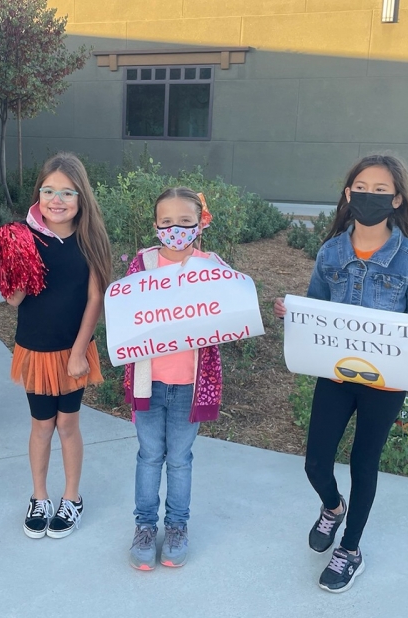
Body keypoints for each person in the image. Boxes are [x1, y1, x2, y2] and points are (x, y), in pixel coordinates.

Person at [274, 154, 408, 593]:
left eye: (381, 190)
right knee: (315, 464)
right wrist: (291, 313)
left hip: (384, 384)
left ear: (397, 199)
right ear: (348, 195)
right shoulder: (331, 250)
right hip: (335, 376)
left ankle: (350, 549)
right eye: (361, 188)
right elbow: (315, 307)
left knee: (364, 463)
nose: (370, 196)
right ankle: (333, 507)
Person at [0, 152, 112, 540]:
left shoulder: (90, 240)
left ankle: (71, 497)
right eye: (48, 190)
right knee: (40, 425)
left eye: (67, 192)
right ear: (38, 195)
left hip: (73, 350)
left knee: (68, 424)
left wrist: (80, 351)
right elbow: (14, 300)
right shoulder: (24, 237)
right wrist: (13, 270)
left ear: (81, 198)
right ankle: (40, 497)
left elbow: (95, 299)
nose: (56, 199)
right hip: (34, 349)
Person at [123, 186, 224, 570]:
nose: (176, 229)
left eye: (185, 221)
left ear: (200, 224)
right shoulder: (142, 264)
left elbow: (229, 316)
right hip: (150, 381)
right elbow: (125, 312)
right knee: (149, 456)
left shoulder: (211, 265)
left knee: (180, 459)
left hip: (190, 382)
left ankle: (178, 526)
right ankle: (145, 527)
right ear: (155, 225)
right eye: (167, 222)